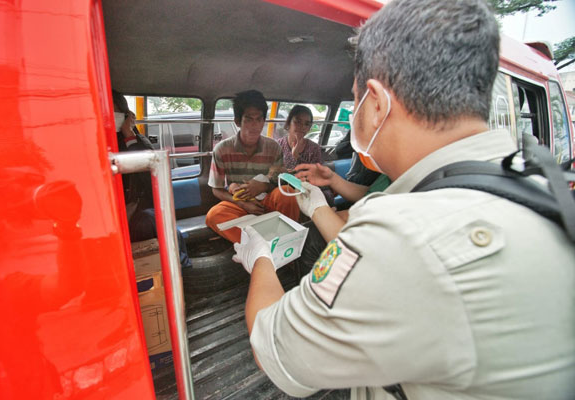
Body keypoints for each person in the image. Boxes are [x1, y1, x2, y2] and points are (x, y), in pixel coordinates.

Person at [233, 1, 575, 399]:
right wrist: (319, 204)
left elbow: (271, 346)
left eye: (355, 98)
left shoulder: (400, 237)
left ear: (376, 104)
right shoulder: (533, 185)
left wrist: (260, 255)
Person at [205, 90, 300, 243]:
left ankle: (287, 242)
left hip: (267, 201)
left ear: (264, 120)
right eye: (248, 119)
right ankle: (258, 246)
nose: (255, 126)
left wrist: (263, 186)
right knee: (214, 215)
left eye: (259, 119)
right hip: (240, 203)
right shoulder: (222, 149)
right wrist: (242, 203)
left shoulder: (273, 147)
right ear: (237, 121)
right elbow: (216, 189)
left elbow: (279, 183)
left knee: (288, 194)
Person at [113, 90, 192, 268]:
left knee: (160, 222)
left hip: (136, 206)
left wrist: (130, 134)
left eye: (116, 113)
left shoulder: (132, 140)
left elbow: (151, 173)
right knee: (149, 222)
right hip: (116, 212)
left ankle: (182, 267)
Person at [276, 105, 334, 205]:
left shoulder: (314, 148)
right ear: (289, 122)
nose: (302, 127)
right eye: (297, 122)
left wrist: (297, 156)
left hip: (309, 187)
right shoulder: (278, 145)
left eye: (306, 124)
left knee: (325, 195)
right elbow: (275, 173)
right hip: (285, 187)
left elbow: (317, 175)